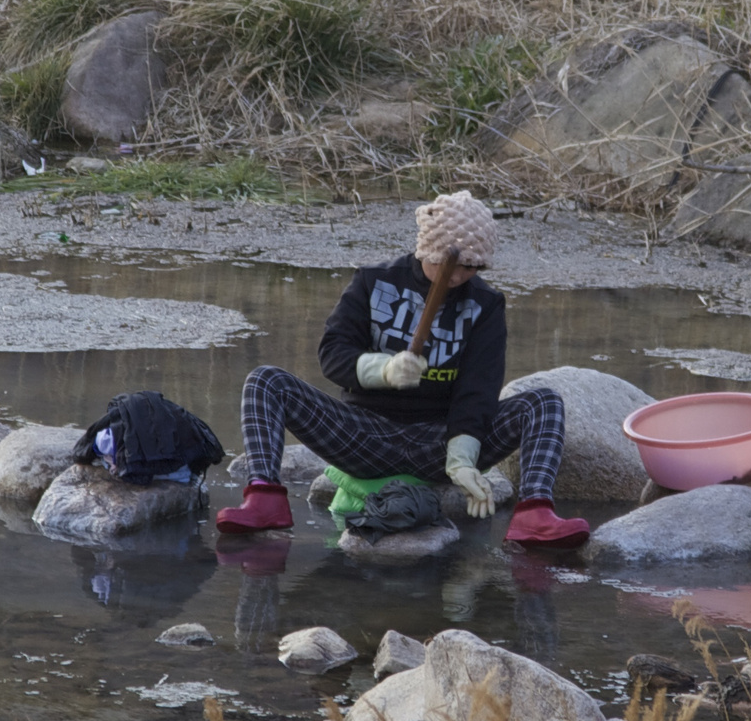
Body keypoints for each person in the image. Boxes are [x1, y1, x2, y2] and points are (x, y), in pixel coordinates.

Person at [216, 190, 590, 548]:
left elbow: (478, 390)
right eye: (455, 265)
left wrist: (461, 459)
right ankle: (265, 498)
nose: (461, 276)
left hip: (439, 444)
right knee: (266, 382)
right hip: (365, 436)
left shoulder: (485, 304)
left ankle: (534, 513)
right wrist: (383, 369)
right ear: (430, 247)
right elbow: (333, 354)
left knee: (543, 403)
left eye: (473, 268)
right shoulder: (373, 281)